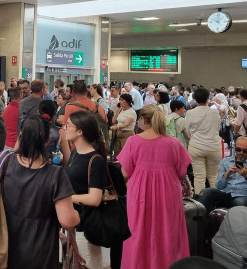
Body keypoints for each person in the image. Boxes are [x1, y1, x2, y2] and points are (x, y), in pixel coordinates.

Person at [117, 105, 192, 269]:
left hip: (139, 195)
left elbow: (124, 172)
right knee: (168, 233)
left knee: (138, 234)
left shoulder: (133, 141)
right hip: (168, 194)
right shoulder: (174, 143)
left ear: (143, 120)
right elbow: (182, 172)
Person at [2, 115, 79, 268]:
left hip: (3, 246)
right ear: (47, 139)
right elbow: (67, 220)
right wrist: (77, 215)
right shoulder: (55, 175)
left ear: (20, 135)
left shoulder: (3, 161)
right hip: (39, 251)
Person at [64, 110, 113, 268]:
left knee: (87, 264)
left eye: (68, 125)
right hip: (73, 221)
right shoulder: (74, 153)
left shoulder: (95, 160)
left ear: (80, 131)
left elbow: (94, 198)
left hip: (87, 225)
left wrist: (67, 197)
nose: (65, 128)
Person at [186, 87, 222, 194]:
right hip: (214, 147)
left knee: (199, 177)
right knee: (213, 177)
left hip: (196, 147)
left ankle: (200, 204)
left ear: (195, 99)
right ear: (208, 98)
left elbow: (188, 132)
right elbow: (218, 129)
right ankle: (216, 202)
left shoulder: (190, 113)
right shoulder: (215, 113)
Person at [198, 136, 247, 213]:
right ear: (234, 147)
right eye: (238, 149)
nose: (241, 153)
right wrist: (226, 174)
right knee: (206, 192)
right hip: (226, 193)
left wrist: (246, 176)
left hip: (242, 195)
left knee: (239, 203)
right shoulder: (225, 161)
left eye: (245, 151)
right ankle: (202, 222)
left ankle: (237, 224)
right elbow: (219, 186)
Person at [110, 93, 136, 158]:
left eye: (121, 100)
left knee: (125, 153)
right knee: (117, 152)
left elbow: (126, 124)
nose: (120, 102)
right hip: (118, 134)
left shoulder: (132, 112)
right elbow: (113, 121)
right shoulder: (121, 110)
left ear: (127, 101)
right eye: (120, 100)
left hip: (127, 134)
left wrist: (117, 127)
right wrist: (116, 111)